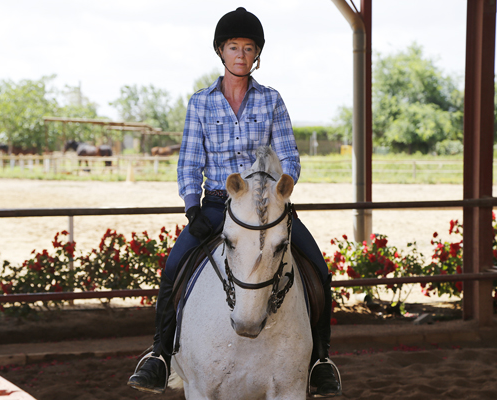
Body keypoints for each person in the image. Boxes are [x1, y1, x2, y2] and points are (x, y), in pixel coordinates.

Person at [128, 7, 342, 397]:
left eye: (248, 48)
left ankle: (320, 361)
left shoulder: (272, 100)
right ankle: (159, 355)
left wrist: (282, 187)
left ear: (256, 55)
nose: (241, 54)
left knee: (319, 269)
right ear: (220, 51)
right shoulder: (201, 103)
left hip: (268, 206)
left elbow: (290, 156)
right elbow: (190, 162)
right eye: (233, 47)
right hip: (217, 204)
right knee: (173, 266)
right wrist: (193, 208)